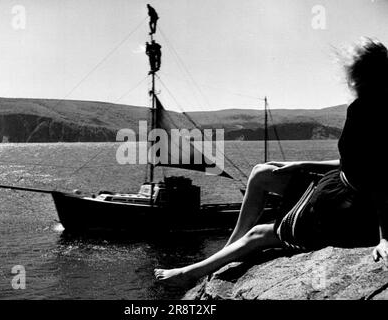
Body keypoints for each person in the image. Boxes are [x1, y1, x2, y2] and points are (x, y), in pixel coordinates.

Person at [154, 38, 388, 286]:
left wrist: (385, 238)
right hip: (337, 190)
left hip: (353, 211)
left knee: (258, 234)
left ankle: (191, 273)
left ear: (360, 75)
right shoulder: (364, 106)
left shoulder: (373, 112)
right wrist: (302, 164)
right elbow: (353, 163)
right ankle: (230, 248)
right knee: (261, 172)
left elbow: (382, 179)